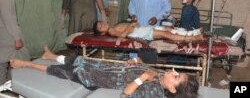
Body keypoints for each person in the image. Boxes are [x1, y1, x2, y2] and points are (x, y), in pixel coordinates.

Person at [10, 45, 199, 98]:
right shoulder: (159, 76)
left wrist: (142, 78)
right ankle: (51, 55)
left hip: (97, 78)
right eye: (176, 71)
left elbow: (126, 95)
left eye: (176, 76)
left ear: (173, 90)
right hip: (107, 67)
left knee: (65, 70)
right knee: (80, 59)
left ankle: (28, 64)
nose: (172, 71)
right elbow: (144, 67)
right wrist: (138, 61)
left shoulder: (155, 93)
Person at [0, 0, 30, 85]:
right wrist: (17, 38)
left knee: (1, 64)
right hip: (7, 34)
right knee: (24, 60)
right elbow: (8, 16)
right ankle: (20, 89)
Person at [93, 21, 204, 42]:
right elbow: (122, 35)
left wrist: (132, 24)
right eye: (101, 27)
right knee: (167, 34)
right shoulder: (111, 31)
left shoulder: (112, 27)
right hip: (141, 33)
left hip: (141, 30)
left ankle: (193, 33)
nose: (103, 24)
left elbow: (126, 30)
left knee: (169, 30)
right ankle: (193, 37)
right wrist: (130, 25)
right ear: (102, 33)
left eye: (101, 23)